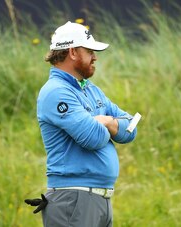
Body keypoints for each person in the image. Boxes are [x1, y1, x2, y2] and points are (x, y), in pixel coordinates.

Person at [35, 21, 138, 227]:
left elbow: (130, 128)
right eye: (90, 51)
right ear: (73, 52)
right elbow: (93, 138)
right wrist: (107, 127)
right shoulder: (56, 91)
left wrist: (106, 121)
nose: (95, 57)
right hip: (73, 201)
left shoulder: (90, 90)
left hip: (97, 200)